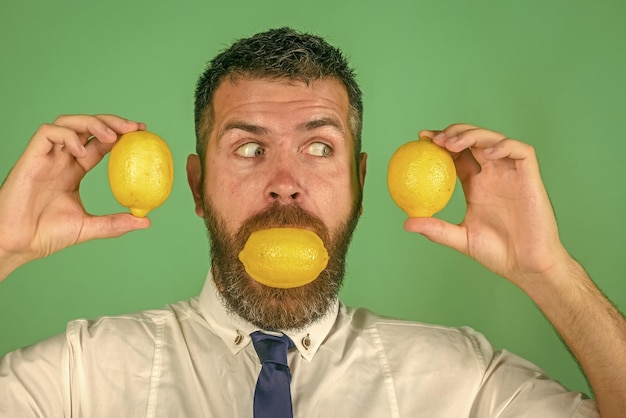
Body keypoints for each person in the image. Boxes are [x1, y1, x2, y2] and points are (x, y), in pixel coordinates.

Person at [0, 26, 623, 417]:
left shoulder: (461, 381)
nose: (285, 181)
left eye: (320, 147)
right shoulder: (79, 379)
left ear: (359, 182)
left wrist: (550, 271)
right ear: (195, 186)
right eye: (248, 147)